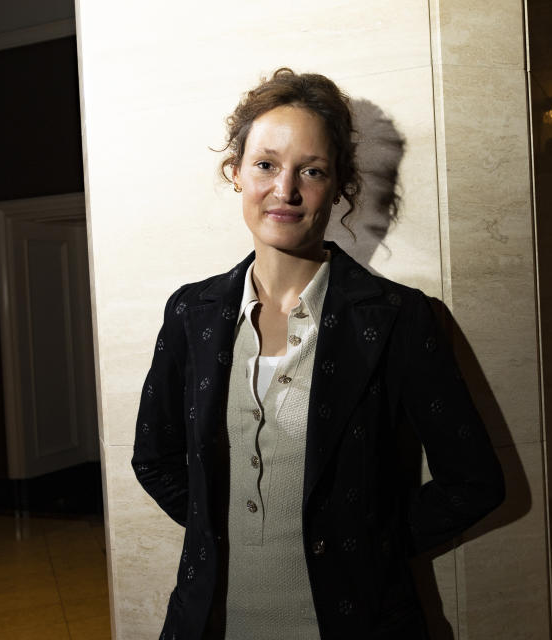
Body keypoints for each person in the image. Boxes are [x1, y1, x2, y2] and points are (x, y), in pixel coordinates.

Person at [132, 68, 504, 640]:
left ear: (339, 188)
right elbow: (154, 458)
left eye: (311, 170)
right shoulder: (191, 314)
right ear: (235, 173)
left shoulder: (399, 318)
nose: (285, 190)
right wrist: (218, 528)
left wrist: (363, 545)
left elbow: (474, 481)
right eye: (266, 164)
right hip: (208, 623)